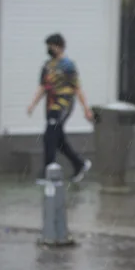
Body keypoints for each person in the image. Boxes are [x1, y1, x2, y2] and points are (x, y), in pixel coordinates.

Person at [27, 33, 93, 183]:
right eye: (48, 46)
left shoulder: (68, 66)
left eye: (52, 46)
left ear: (60, 46)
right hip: (50, 105)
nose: (49, 49)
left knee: (49, 136)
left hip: (63, 105)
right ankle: (79, 164)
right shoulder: (47, 66)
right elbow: (43, 87)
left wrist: (86, 109)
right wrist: (33, 104)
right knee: (58, 140)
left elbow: (77, 88)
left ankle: (48, 172)